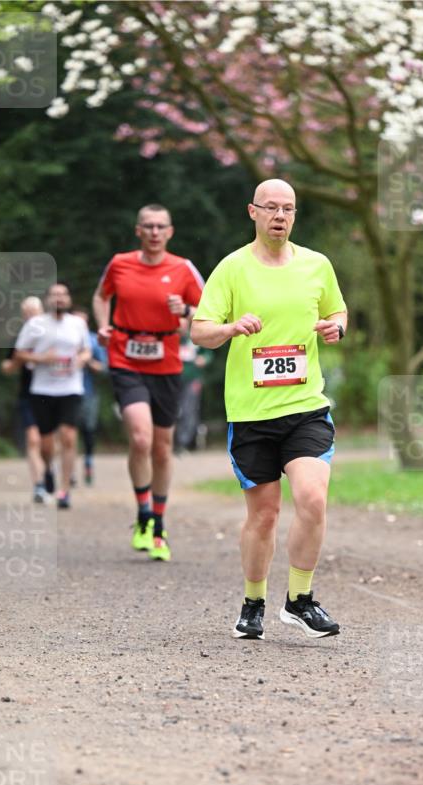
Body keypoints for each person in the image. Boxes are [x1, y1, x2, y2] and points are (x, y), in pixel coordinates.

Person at [191, 178, 347, 640]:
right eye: (271, 207)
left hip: (306, 406)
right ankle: (253, 603)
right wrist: (232, 327)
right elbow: (200, 331)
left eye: (289, 209)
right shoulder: (232, 269)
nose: (280, 216)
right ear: (253, 212)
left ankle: (300, 600)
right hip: (252, 413)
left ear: (295, 216)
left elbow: (338, 312)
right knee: (264, 515)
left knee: (313, 499)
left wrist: (334, 327)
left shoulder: (317, 265)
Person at [93, 204, 204, 561]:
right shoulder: (120, 263)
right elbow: (101, 296)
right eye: (148, 226)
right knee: (140, 437)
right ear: (138, 230)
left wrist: (185, 311)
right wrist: (102, 325)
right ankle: (142, 514)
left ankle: (158, 521)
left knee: (161, 447)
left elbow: (212, 314)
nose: (155, 232)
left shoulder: (183, 269)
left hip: (167, 362)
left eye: (161, 227)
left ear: (170, 232)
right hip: (125, 356)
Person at [15, 283, 91, 509]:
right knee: (46, 444)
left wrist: (81, 360)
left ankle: (64, 490)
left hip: (71, 388)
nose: (59, 298)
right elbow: (19, 352)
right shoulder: (36, 324)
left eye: (63, 295)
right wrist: (42, 359)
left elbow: (86, 350)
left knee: (68, 436)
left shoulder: (77, 324)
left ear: (68, 299)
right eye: (55, 295)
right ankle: (47, 469)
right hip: (43, 389)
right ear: (48, 299)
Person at [1, 296, 55, 502]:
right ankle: (39, 486)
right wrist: (19, 358)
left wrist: (34, 358)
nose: (31, 315)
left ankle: (49, 469)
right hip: (28, 395)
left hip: (52, 394)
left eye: (35, 311)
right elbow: (7, 367)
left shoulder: (54, 336)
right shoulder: (20, 339)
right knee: (33, 440)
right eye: (27, 312)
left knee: (48, 443)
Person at [72, 308, 107, 485]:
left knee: (88, 431)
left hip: (89, 393)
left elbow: (104, 368)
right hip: (67, 393)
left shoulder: (94, 341)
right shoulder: (63, 339)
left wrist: (88, 361)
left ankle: (88, 463)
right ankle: (69, 470)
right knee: (67, 432)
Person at [174, 332, 212, 453]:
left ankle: (184, 442)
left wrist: (204, 359)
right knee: (173, 410)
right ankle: (171, 441)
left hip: (192, 380)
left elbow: (208, 353)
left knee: (188, 410)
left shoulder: (195, 336)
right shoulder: (172, 336)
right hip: (172, 380)